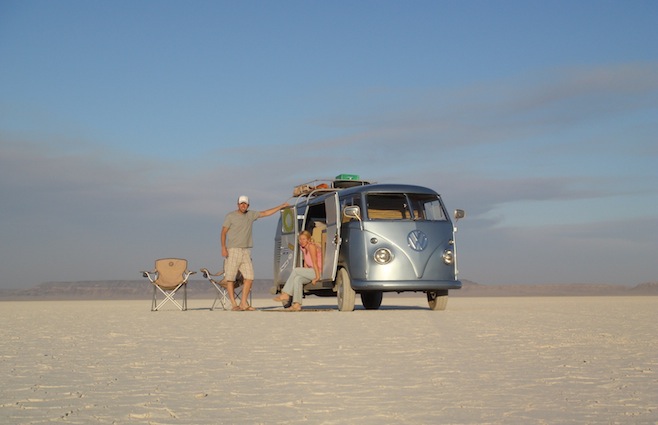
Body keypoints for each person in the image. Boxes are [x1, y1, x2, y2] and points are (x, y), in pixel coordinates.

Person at [222, 195, 289, 311]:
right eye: (241, 203)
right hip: (233, 250)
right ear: (237, 204)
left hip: (246, 250)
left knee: (249, 277)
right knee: (230, 278)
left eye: (245, 203)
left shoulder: (251, 215)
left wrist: (281, 206)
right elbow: (223, 232)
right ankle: (234, 304)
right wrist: (223, 247)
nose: (243, 205)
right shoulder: (230, 216)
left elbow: (266, 213)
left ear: (248, 205)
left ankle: (243, 303)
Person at [273, 230, 322, 311]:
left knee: (296, 270)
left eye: (304, 239)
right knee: (297, 279)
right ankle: (297, 304)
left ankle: (286, 294)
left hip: (318, 272)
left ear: (309, 239)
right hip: (311, 272)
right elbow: (306, 264)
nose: (301, 241)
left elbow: (315, 262)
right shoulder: (303, 248)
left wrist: (317, 277)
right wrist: (305, 273)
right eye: (300, 239)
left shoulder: (311, 246)